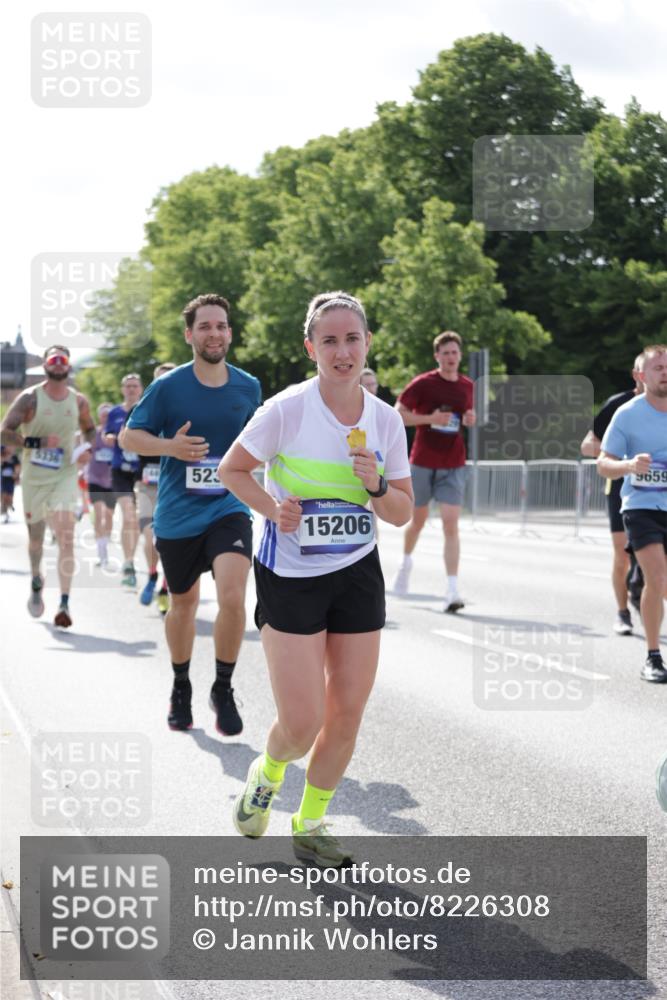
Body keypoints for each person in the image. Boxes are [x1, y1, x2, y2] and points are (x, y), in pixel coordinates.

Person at [219, 290, 413, 867]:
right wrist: (270, 507)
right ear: (311, 348)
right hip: (291, 574)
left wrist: (376, 485)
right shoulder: (286, 410)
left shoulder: (385, 420)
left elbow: (402, 511)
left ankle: (310, 823)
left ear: (367, 343)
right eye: (329, 340)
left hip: (357, 572)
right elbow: (233, 469)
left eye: (352, 339)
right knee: (302, 723)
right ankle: (267, 772)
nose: (342, 351)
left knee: (346, 713)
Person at [122, 294, 261, 734]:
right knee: (183, 604)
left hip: (228, 506)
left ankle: (223, 686)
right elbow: (129, 437)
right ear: (189, 335)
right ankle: (181, 685)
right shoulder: (169, 386)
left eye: (220, 326)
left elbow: (258, 441)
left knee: (234, 597)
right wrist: (170, 447)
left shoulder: (248, 387)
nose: (214, 334)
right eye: (204, 327)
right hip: (179, 514)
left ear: (230, 333)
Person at [0, 345, 96, 627]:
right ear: (45, 365)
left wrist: (87, 448)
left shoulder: (78, 401)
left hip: (65, 474)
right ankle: (35, 578)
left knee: (66, 536)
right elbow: (4, 432)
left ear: (69, 366)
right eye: (53, 359)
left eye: (62, 360)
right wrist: (35, 442)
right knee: (36, 540)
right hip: (34, 478)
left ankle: (64, 603)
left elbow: (90, 429)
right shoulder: (30, 398)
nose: (57, 364)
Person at [392, 331, 475, 612]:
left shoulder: (467, 386)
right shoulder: (423, 383)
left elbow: (468, 416)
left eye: (455, 353)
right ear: (437, 356)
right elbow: (398, 414)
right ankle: (405, 562)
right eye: (446, 353)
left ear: (460, 356)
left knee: (451, 524)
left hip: (453, 462)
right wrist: (430, 418)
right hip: (423, 461)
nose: (451, 357)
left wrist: (471, 419)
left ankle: (452, 589)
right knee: (417, 521)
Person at [598, 345, 667, 683]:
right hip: (641, 507)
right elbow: (603, 463)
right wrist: (628, 465)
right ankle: (653, 657)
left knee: (660, 582)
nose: (665, 373)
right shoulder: (626, 414)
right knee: (658, 578)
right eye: (658, 368)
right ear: (641, 375)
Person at [580, 355, 645, 634]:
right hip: (620, 486)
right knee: (622, 553)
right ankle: (622, 612)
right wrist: (620, 453)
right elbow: (587, 446)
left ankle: (638, 585)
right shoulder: (619, 405)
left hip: (656, 489)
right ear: (637, 375)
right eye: (651, 369)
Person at [119, 362, 176, 609]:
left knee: (172, 539)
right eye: (160, 380)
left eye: (170, 378)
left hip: (176, 482)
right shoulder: (141, 409)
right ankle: (152, 574)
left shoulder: (188, 408)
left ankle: (165, 586)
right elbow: (124, 440)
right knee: (149, 534)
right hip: (147, 483)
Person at [104, 373, 143, 588]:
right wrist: (111, 438)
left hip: (141, 471)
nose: (131, 389)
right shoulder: (115, 412)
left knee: (135, 520)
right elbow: (107, 435)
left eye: (134, 386)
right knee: (128, 515)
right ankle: (128, 562)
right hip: (120, 470)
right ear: (122, 389)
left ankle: (131, 557)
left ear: (141, 389)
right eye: (127, 386)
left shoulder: (146, 410)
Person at [87, 403, 115, 567]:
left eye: (108, 415)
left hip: (112, 481)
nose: (106, 418)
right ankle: (101, 551)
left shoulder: (117, 434)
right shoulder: (94, 434)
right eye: (103, 415)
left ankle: (105, 541)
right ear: (99, 417)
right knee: (99, 514)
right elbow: (85, 451)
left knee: (109, 516)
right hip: (95, 479)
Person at [1, 445, 21, 522]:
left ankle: (9, 506)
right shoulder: (2, 454)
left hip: (10, 480)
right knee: (3, 495)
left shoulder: (14, 457)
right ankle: (4, 511)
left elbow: (18, 467)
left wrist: (17, 476)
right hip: (2, 479)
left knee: (9, 496)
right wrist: (4, 459)